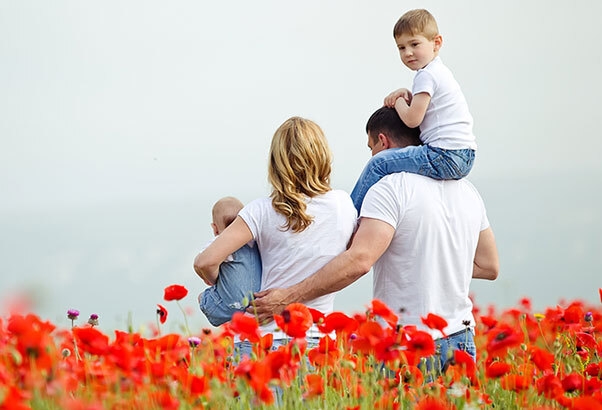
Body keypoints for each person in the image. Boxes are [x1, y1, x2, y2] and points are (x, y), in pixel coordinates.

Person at [253, 107, 499, 370]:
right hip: (461, 341)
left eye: (370, 147)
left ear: (383, 141)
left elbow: (358, 260)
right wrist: (435, 264)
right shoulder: (467, 191)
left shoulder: (389, 188)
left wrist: (288, 296)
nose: (371, 155)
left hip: (406, 345)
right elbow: (489, 266)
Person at [193, 116, 357, 357]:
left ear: (276, 162)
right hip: (319, 344)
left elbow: (204, 262)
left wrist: (217, 282)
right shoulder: (344, 205)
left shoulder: (261, 210)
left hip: (265, 343)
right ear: (323, 156)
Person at [351, 9, 477, 213]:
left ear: (436, 43)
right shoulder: (440, 72)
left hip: (444, 154)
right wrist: (407, 95)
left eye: (414, 44)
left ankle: (349, 217)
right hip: (465, 154)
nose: (407, 52)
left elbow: (412, 119)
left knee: (378, 163)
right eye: (401, 47)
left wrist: (399, 100)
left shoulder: (426, 75)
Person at [197, 196, 262, 327]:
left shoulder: (220, 243)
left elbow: (203, 263)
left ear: (215, 228)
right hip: (256, 301)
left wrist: (213, 279)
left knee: (201, 297)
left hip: (231, 304)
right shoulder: (253, 241)